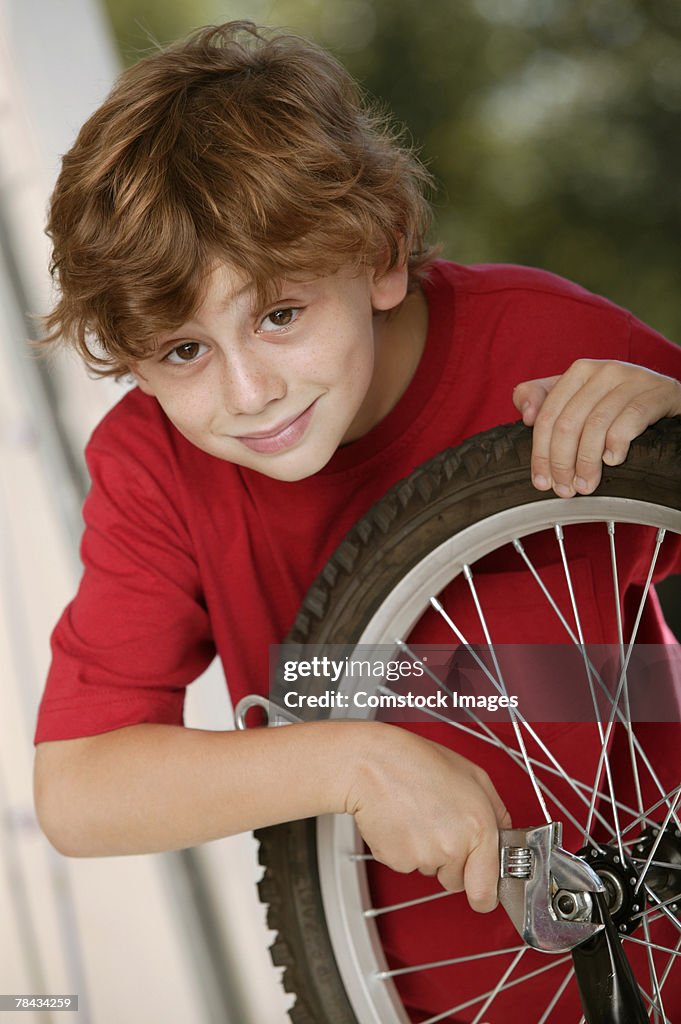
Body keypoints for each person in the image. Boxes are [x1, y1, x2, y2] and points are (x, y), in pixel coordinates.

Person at [33, 21, 681, 1022]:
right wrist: (350, 758)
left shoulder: (553, 350)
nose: (248, 392)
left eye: (280, 314)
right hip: (397, 994)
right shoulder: (158, 466)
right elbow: (79, 788)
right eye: (182, 351)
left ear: (378, 254)